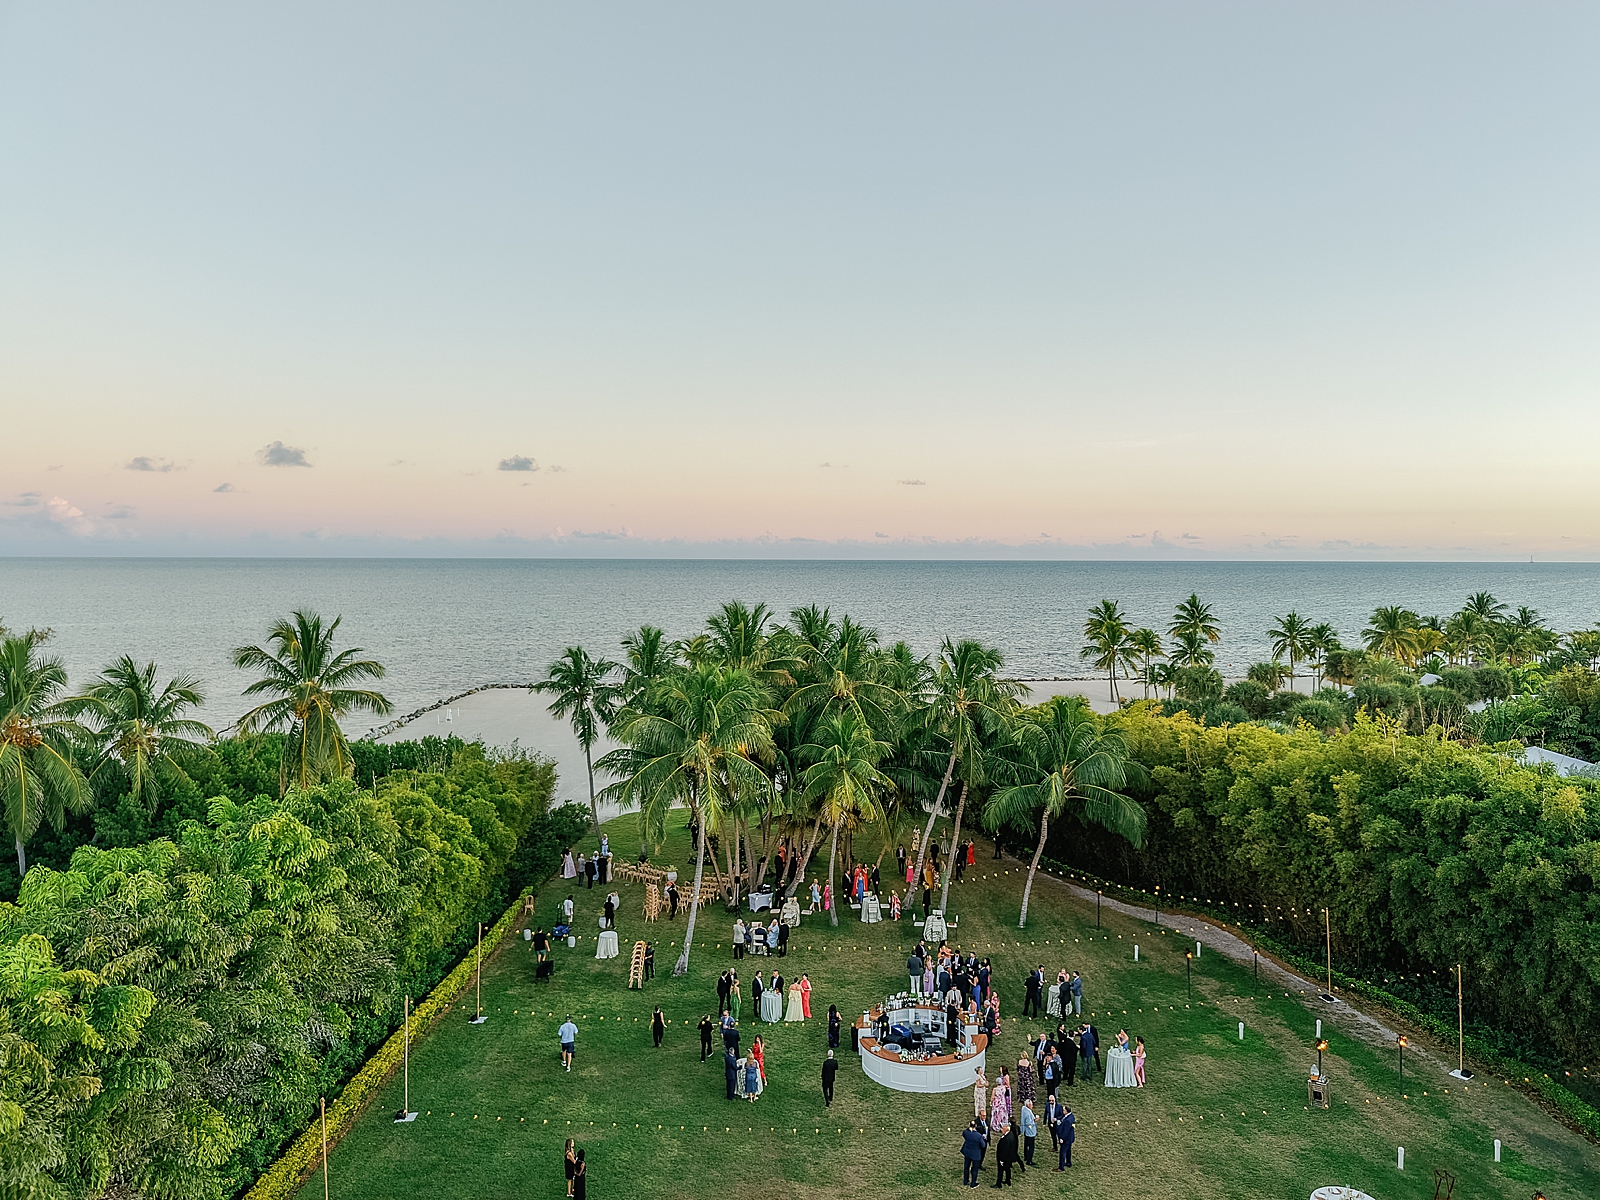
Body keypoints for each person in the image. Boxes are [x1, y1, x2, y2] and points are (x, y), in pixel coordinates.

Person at [961, 1120, 987, 1189]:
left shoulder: (965, 1132)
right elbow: (983, 1145)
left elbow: (964, 1134)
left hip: (967, 1152)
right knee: (975, 1169)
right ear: (975, 1126)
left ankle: (965, 1181)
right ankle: (973, 1183)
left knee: (966, 1167)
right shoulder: (978, 1136)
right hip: (975, 1154)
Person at [993, 1122, 1019, 1187]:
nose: (1001, 1129)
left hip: (1005, 1158)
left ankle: (998, 1184)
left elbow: (1004, 1151)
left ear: (1006, 1129)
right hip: (1009, 1157)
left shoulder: (1006, 1139)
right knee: (1007, 1169)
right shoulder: (1010, 1135)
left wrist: (1002, 1160)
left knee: (1000, 1171)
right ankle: (1008, 1180)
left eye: (1002, 1128)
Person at [1018, 1100, 1037, 1167]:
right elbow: (1029, 1124)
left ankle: (1026, 1157)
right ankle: (1029, 1160)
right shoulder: (1028, 1113)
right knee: (1031, 1147)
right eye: (1031, 1104)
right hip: (1030, 1132)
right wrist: (1035, 1121)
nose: (1032, 1106)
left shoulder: (1023, 1109)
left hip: (1026, 1131)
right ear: (1028, 1105)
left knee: (1026, 1145)